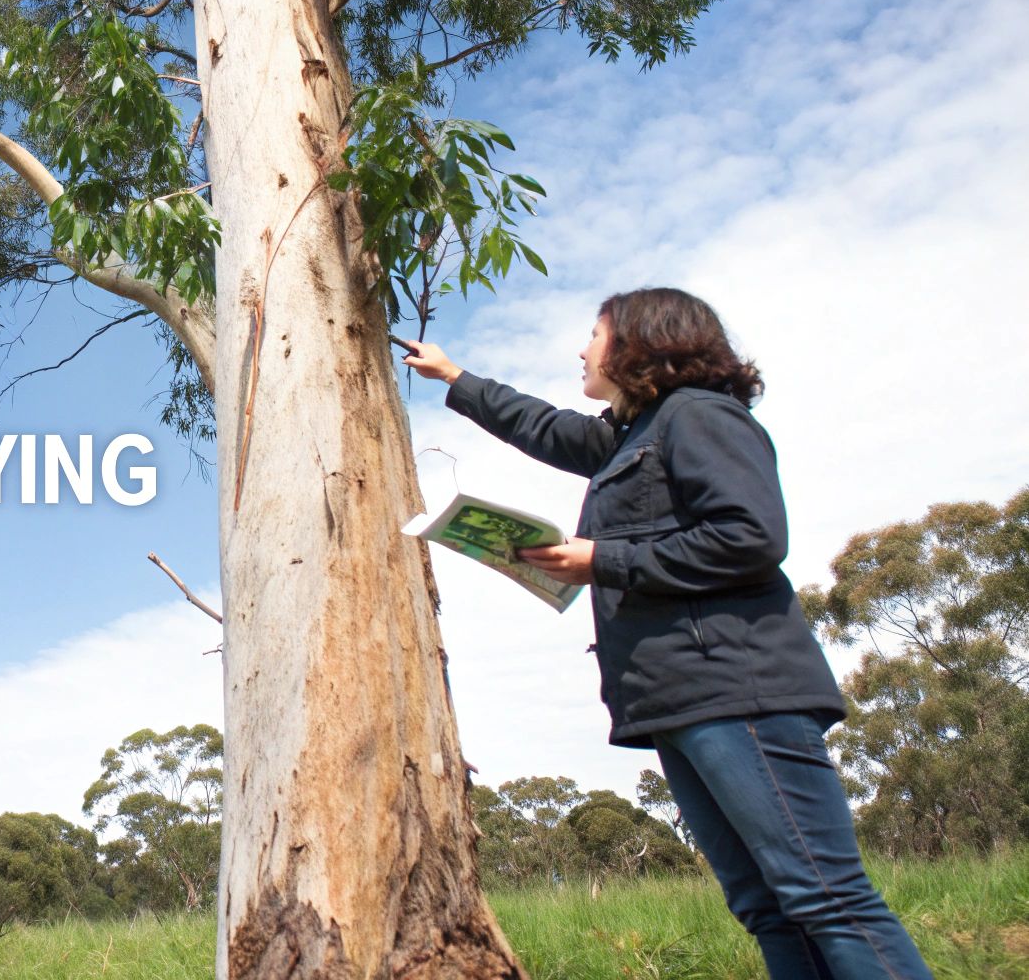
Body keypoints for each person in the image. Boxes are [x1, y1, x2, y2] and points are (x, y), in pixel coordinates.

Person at [398, 287, 933, 980]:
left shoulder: (701, 417)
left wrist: (603, 559)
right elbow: (547, 428)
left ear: (641, 343)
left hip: (739, 691)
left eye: (595, 333)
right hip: (677, 700)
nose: (582, 350)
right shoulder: (632, 435)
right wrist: (454, 378)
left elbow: (752, 536)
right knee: (764, 905)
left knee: (826, 897)